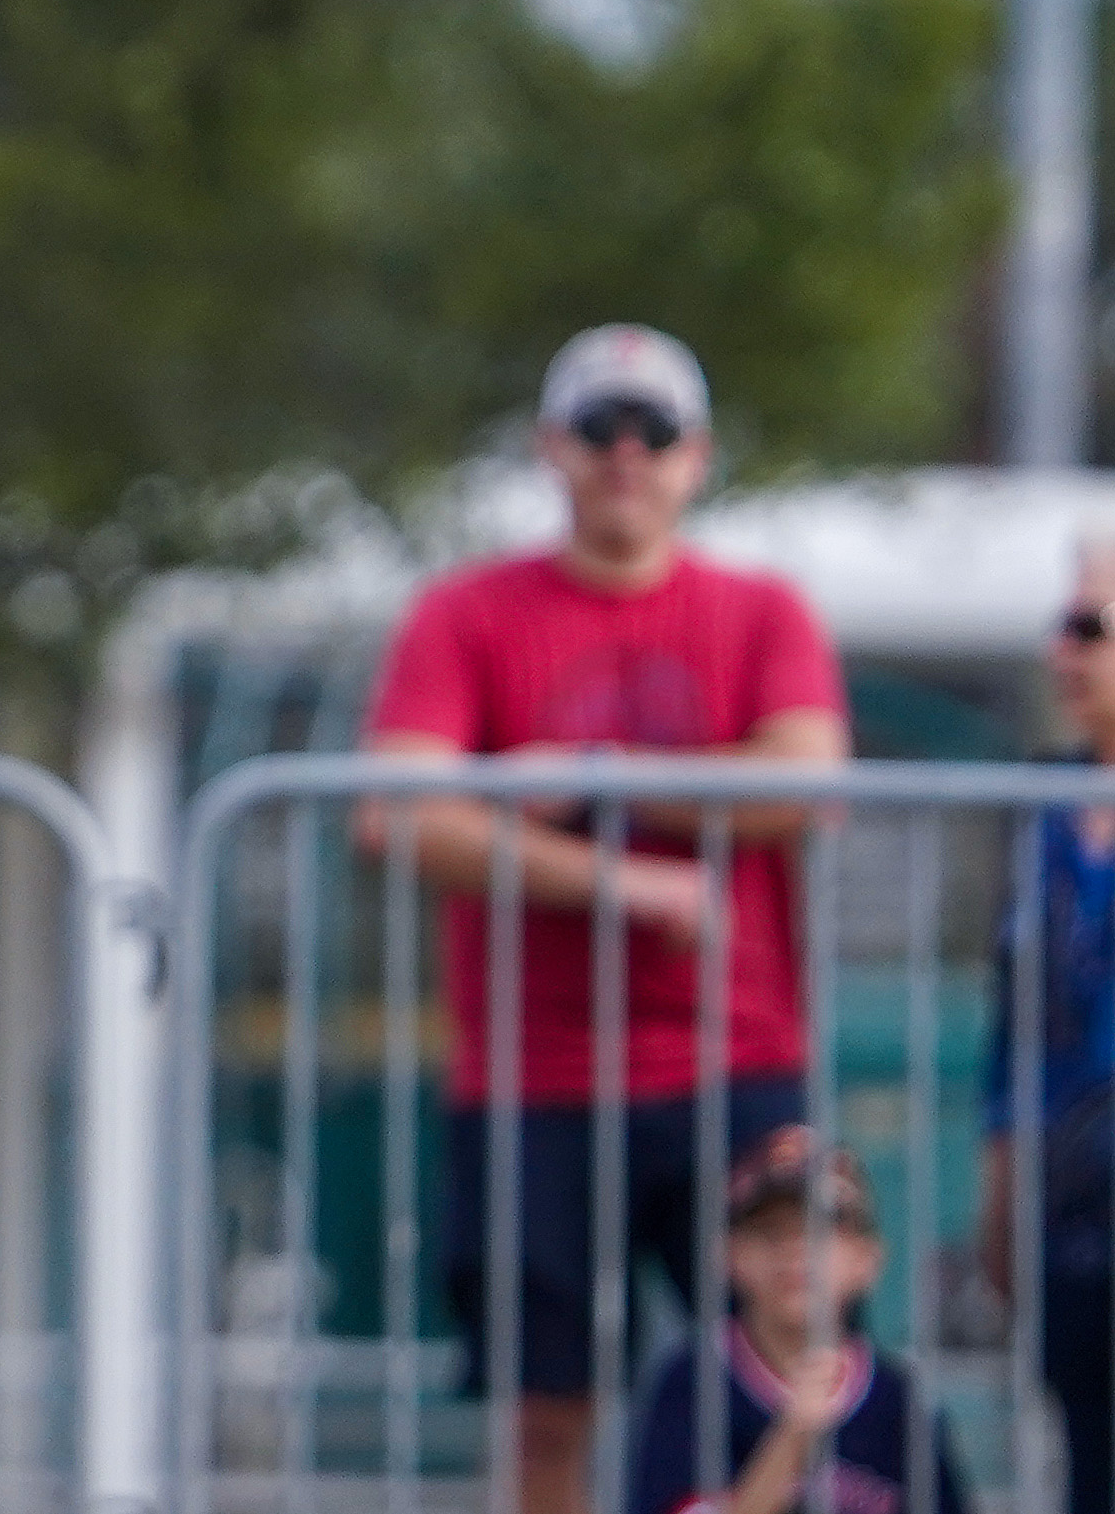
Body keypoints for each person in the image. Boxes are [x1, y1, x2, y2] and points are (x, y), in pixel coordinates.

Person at [355, 326, 851, 1514]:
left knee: (787, 1387)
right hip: (533, 1082)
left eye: (652, 430)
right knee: (543, 1413)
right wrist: (624, 880)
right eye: (597, 428)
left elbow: (806, 782)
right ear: (550, 448)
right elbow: (394, 812)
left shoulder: (761, 610)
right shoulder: (464, 613)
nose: (624, 454)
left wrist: (590, 768)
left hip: (736, 1069)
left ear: (696, 455)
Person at [977, 530, 1115, 1514]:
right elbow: (1015, 1028)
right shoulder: (1043, 811)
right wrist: (998, 1189)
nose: (1057, 653)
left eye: (1085, 627)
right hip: (1072, 1209)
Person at [629, 1132, 971, 1514]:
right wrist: (793, 1437)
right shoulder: (692, 1383)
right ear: (728, 1254)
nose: (795, 1250)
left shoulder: (899, 1400)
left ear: (867, 1258)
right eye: (771, 1232)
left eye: (820, 1232)